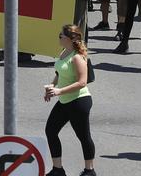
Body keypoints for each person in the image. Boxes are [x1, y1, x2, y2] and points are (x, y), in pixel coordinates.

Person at [43, 24, 96, 176]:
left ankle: (89, 171)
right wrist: (52, 86)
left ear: (71, 39)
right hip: (65, 101)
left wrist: (59, 91)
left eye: (61, 36)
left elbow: (82, 82)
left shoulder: (77, 57)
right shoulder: (64, 52)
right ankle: (58, 170)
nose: (59, 37)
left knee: (83, 136)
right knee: (51, 131)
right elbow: (59, 73)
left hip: (79, 101)